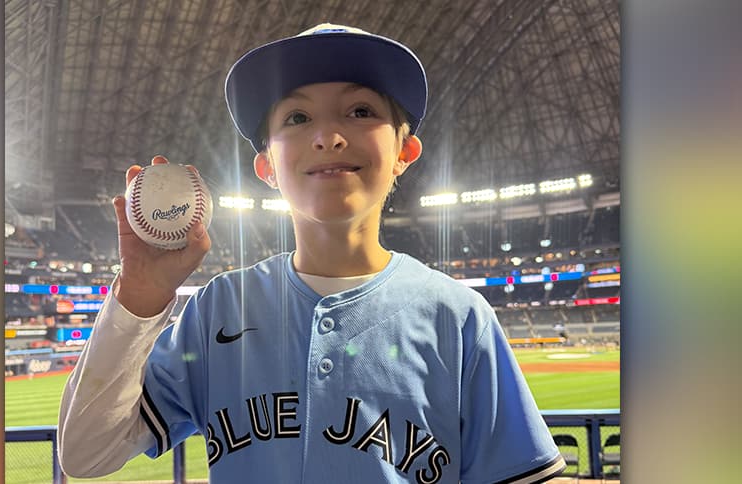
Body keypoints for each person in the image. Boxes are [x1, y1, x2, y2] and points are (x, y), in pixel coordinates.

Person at [58, 23, 566, 484]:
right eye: (297, 117)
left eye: (361, 110)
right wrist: (139, 298)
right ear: (267, 168)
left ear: (404, 154)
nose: (328, 136)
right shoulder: (221, 308)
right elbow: (85, 454)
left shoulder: (458, 317)